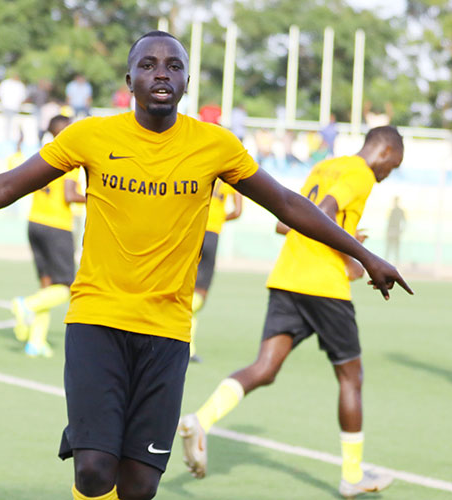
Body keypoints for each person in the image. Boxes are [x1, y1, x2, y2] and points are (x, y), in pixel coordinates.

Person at [0, 31, 410, 500]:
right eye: (148, 64)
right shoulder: (91, 136)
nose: (161, 72)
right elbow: (6, 186)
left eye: (173, 65)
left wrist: (366, 254)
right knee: (93, 468)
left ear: (186, 81)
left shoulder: (215, 146)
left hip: (167, 330)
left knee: (139, 485)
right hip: (97, 320)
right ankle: (90, 452)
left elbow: (290, 205)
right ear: (130, 78)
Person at [179, 126, 406, 499]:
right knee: (351, 376)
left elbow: (287, 222)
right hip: (323, 286)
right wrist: (352, 257)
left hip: (286, 277)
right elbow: (326, 212)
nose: (387, 175)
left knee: (264, 368)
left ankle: (199, 421)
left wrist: (347, 238)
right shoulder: (360, 174)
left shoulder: (326, 166)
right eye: (392, 166)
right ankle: (352, 475)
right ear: (384, 152)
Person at [11, 114, 86, 358]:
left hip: (35, 223)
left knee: (47, 286)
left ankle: (36, 341)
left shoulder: (42, 154)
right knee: (65, 287)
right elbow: (68, 195)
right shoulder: (68, 156)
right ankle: (26, 305)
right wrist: (95, 197)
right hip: (57, 226)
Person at [189, 179, 242, 362]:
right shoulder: (231, 175)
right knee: (200, 293)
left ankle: (186, 344)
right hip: (211, 234)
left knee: (183, 286)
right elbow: (237, 211)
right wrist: (220, 217)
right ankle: (187, 345)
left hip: (192, 229)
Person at [0, 73, 27, 141]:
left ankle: (10, 139)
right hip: (8, 106)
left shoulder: (18, 85)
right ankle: (7, 138)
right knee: (8, 124)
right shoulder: (7, 83)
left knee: (12, 125)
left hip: (13, 107)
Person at [385, 196, 405, 263]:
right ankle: (386, 262)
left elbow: (404, 221)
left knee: (396, 249)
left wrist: (401, 230)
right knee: (389, 248)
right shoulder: (392, 211)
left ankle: (396, 262)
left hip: (396, 231)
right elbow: (389, 222)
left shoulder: (400, 211)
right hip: (391, 231)